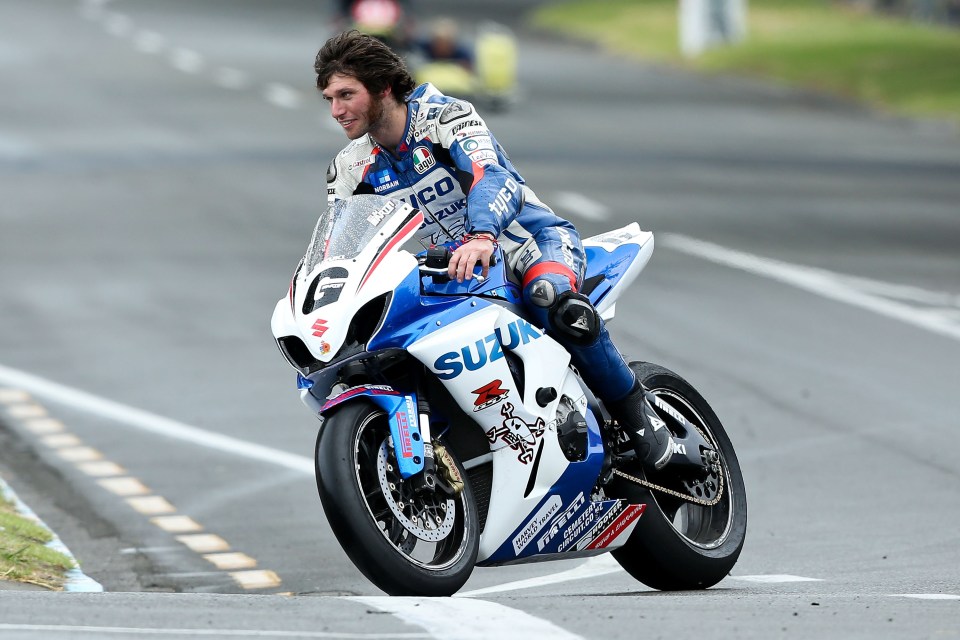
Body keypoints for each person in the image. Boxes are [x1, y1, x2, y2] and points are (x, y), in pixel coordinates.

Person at [315, 30, 675, 472]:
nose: (336, 110)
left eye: (346, 95)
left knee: (552, 299)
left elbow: (493, 177)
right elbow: (342, 244)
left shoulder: (446, 117)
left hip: (529, 243)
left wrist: (482, 235)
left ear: (383, 87)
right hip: (450, 274)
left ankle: (639, 417)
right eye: (330, 98)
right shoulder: (349, 168)